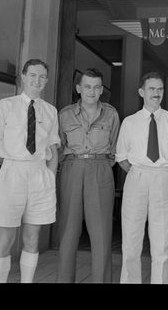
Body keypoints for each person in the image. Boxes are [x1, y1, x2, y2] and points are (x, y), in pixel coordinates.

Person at [0, 58, 60, 283]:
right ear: (24, 76)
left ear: (46, 80)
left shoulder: (50, 111)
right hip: (11, 174)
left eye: (42, 77)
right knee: (5, 238)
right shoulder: (5, 105)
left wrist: (50, 178)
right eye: (33, 75)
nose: (38, 80)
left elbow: (53, 151)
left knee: (32, 238)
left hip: (39, 175)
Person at [115, 71, 168, 284]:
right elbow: (121, 158)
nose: (156, 93)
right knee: (130, 241)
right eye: (151, 88)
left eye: (160, 89)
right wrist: (141, 173)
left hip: (163, 178)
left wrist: (160, 173)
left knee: (162, 243)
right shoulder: (129, 122)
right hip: (136, 176)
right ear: (141, 91)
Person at [56, 68, 120, 283]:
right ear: (78, 89)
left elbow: (114, 149)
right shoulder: (64, 114)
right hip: (71, 169)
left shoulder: (111, 114)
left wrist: (98, 163)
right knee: (68, 233)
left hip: (100, 169)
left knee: (101, 234)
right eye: (87, 86)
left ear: (101, 90)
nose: (91, 91)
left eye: (96, 87)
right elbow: (58, 147)